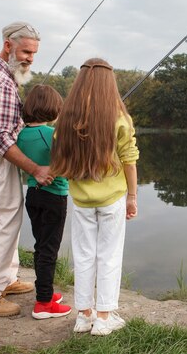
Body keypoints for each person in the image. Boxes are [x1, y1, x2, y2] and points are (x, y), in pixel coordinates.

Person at [0, 22, 54, 317]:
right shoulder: (2, 83)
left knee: (5, 215)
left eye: (33, 53)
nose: (30, 58)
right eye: (26, 51)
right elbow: (2, 139)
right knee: (0, 221)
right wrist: (36, 169)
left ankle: (5, 278)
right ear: (8, 45)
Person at [50, 58, 139, 336]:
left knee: (84, 256)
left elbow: (58, 154)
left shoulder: (65, 119)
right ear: (108, 83)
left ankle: (83, 316)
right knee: (109, 256)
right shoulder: (120, 118)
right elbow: (129, 159)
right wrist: (132, 196)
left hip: (81, 201)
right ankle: (103, 318)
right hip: (112, 199)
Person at [16, 85, 72, 319]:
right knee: (49, 249)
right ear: (51, 108)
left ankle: (44, 292)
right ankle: (44, 304)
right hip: (54, 197)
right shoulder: (51, 135)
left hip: (33, 195)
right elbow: (69, 163)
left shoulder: (21, 135)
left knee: (41, 246)